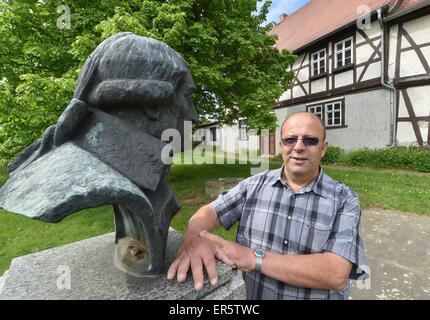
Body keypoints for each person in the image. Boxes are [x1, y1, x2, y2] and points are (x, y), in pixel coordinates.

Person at [167, 112, 368, 300]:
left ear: (323, 148)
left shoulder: (344, 199)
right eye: (290, 140)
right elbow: (209, 211)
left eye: (310, 140)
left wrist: (251, 257)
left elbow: (336, 273)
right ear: (281, 146)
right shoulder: (254, 184)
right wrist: (193, 237)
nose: (298, 147)